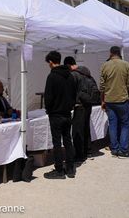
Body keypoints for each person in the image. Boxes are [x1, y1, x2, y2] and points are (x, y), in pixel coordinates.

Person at [43, 51, 76, 179]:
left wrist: (49, 109)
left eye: (48, 63)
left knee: (57, 143)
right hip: (67, 113)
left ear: (51, 62)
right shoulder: (70, 75)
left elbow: (48, 97)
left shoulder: (52, 77)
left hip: (56, 114)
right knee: (68, 141)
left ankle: (59, 170)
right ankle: (70, 169)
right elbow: (74, 95)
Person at [100, 46, 129, 159]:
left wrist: (102, 101)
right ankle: (123, 149)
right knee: (125, 125)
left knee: (113, 124)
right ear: (119, 53)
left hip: (109, 100)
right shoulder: (126, 65)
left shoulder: (105, 65)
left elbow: (102, 87)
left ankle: (115, 148)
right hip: (122, 100)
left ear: (110, 53)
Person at [64, 56, 93, 163]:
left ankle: (80, 155)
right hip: (88, 104)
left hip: (79, 105)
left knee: (77, 131)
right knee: (86, 128)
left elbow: (70, 92)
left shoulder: (73, 75)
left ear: (68, 65)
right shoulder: (86, 72)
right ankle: (88, 152)